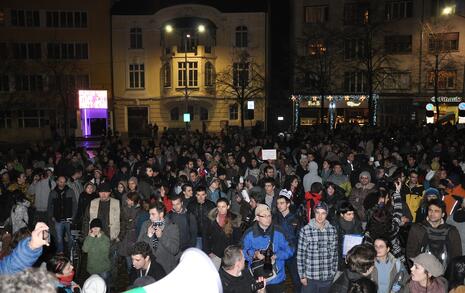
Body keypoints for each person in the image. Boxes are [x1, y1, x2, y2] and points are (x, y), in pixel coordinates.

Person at [242, 204, 294, 292]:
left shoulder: (279, 231)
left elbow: (291, 249)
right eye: (264, 216)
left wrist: (276, 256)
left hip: (277, 278)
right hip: (258, 278)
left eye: (269, 215)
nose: (268, 218)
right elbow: (242, 251)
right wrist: (254, 254)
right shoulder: (249, 234)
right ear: (257, 218)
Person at [406, 198, 462, 267]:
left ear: (443, 214)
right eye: (430, 210)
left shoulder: (452, 231)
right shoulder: (417, 229)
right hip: (422, 272)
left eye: (436, 211)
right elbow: (410, 254)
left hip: (445, 273)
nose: (432, 213)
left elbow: (457, 256)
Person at [298, 202, 338, 293]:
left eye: (323, 213)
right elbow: (301, 255)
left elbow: (334, 254)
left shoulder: (332, 230)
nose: (320, 216)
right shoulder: (305, 230)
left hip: (327, 277)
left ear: (327, 214)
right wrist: (302, 275)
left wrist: (333, 272)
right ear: (314, 213)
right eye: (317, 213)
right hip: (310, 277)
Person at [138, 201, 180, 273]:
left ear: (161, 214)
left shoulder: (172, 227)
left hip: (166, 268)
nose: (150, 217)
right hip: (150, 268)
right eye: (149, 214)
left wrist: (161, 236)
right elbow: (138, 248)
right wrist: (147, 236)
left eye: (153, 214)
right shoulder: (146, 225)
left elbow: (175, 250)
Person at [273, 194, 301, 291]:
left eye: (282, 203)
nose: (279, 205)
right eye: (278, 203)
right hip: (278, 252)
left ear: (288, 204)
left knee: (296, 279)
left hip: (292, 253)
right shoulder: (275, 218)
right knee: (277, 278)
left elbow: (299, 237)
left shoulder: (295, 219)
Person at [204, 198, 242, 268]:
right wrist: (208, 251)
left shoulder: (234, 219)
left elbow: (237, 238)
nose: (221, 209)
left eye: (223, 206)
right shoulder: (211, 218)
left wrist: (234, 253)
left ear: (228, 207)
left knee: (227, 275)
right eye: (219, 206)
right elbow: (206, 235)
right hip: (215, 253)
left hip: (229, 254)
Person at [47, 175, 76, 255]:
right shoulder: (53, 192)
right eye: (60, 181)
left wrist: (73, 216)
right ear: (57, 182)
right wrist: (51, 216)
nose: (62, 183)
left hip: (68, 219)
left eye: (64, 182)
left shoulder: (70, 191)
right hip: (58, 219)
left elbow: (74, 205)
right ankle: (60, 252)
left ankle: (71, 252)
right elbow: (49, 206)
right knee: (59, 238)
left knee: (70, 237)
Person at [334, 201, 363, 271]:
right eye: (348, 214)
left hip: (354, 255)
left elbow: (360, 235)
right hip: (340, 256)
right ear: (341, 214)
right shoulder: (335, 225)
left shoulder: (357, 222)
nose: (352, 216)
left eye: (353, 213)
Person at [82, 218, 111, 287]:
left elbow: (105, 250)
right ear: (90, 229)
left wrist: (99, 238)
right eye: (93, 227)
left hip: (103, 268)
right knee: (94, 286)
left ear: (100, 228)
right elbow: (85, 249)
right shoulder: (89, 238)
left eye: (97, 227)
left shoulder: (105, 238)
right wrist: (90, 237)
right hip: (92, 268)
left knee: (103, 286)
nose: (95, 229)